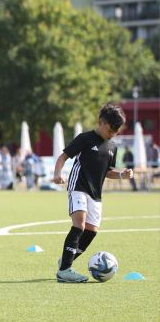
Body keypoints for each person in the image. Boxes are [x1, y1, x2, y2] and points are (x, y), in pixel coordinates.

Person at [52, 104, 132, 283]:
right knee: (79, 225)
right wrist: (57, 174)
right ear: (101, 122)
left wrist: (121, 174)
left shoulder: (112, 147)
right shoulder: (85, 138)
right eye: (110, 130)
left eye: (116, 132)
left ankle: (65, 260)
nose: (112, 134)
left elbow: (107, 171)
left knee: (91, 231)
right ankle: (64, 271)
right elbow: (63, 157)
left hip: (96, 193)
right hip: (78, 186)